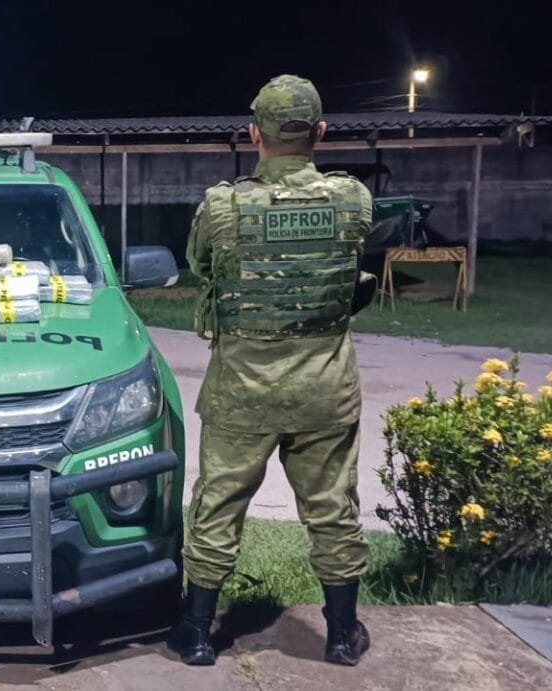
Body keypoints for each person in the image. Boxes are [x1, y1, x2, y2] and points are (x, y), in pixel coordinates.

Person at [172, 74, 377, 667]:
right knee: (333, 508)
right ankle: (340, 637)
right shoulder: (352, 200)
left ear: (253, 132)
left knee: (217, 505)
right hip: (325, 390)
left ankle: (196, 635)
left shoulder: (224, 206)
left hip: (243, 391)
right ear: (319, 132)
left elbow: (197, 264)